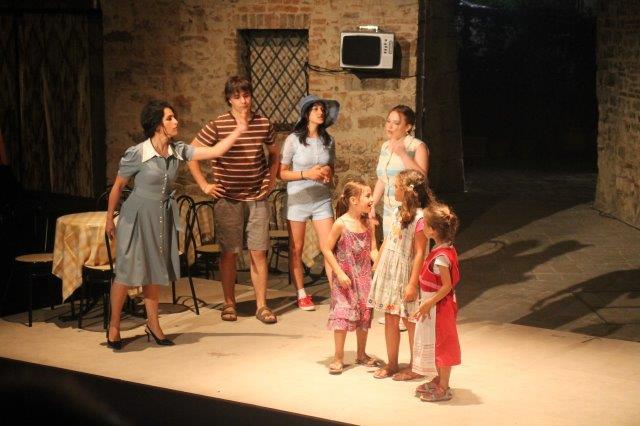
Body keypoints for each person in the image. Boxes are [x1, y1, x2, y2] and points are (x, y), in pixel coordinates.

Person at [105, 100, 247, 349]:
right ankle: (114, 326)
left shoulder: (177, 150)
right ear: (157, 125)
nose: (175, 121)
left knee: (153, 272)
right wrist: (109, 219)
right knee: (126, 273)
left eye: (174, 117)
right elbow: (118, 187)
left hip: (160, 216)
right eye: (169, 118)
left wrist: (239, 130)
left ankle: (153, 324)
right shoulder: (137, 153)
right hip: (136, 216)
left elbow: (214, 151)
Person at [187, 76, 280, 324]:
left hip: (256, 196)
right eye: (237, 97)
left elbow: (274, 153)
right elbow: (191, 153)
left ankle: (262, 305)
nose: (243, 101)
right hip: (228, 197)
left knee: (258, 251)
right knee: (229, 253)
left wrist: (271, 179)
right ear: (229, 99)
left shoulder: (262, 123)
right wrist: (204, 185)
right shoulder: (218, 125)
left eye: (246, 95)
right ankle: (229, 303)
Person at [367, 169, 431, 380]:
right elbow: (389, 238)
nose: (393, 190)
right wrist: (378, 263)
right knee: (390, 316)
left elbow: (420, 252)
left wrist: (412, 283)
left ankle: (415, 366)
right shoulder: (397, 212)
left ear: (407, 191)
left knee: (410, 320)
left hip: (407, 272)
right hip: (390, 270)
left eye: (396, 187)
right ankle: (392, 363)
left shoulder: (420, 218)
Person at [278, 95, 340, 311]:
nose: (320, 112)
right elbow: (282, 173)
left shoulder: (328, 140)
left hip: (321, 199)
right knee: (296, 248)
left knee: (329, 246)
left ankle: (336, 294)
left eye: (322, 109)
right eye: (315, 109)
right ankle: (301, 293)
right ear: (306, 114)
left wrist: (327, 172)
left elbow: (332, 167)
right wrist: (306, 174)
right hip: (298, 201)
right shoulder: (293, 140)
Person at [370, 105, 429, 327]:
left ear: (408, 127)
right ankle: (394, 306)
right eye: (388, 121)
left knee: (409, 258)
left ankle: (410, 308)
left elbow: (422, 177)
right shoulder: (385, 146)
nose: (390, 126)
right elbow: (383, 178)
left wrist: (403, 154)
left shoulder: (417, 146)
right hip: (390, 211)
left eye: (396, 123)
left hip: (409, 212)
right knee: (392, 258)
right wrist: (372, 203)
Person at [321, 180, 378, 374]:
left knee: (364, 314)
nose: (371, 199)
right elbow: (326, 248)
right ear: (354, 200)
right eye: (367, 195)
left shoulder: (369, 223)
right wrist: (338, 272)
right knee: (342, 314)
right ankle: (338, 357)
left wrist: (379, 262)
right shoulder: (341, 224)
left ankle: (361, 354)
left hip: (363, 278)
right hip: (344, 279)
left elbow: (373, 249)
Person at [411, 202, 461, 402]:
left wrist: (427, 303)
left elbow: (446, 286)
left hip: (439, 306)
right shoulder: (442, 249)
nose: (422, 226)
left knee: (443, 344)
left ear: (432, 230)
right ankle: (439, 379)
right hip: (434, 305)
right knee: (435, 342)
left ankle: (444, 386)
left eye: (424, 223)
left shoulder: (441, 258)